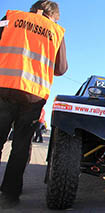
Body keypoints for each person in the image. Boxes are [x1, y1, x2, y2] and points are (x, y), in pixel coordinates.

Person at [0, 0, 67, 208]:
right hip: (33, 96)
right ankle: (10, 194)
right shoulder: (56, 32)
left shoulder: (11, 17)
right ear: (52, 15)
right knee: (20, 145)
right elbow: (61, 68)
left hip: (3, 87)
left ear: (34, 9)